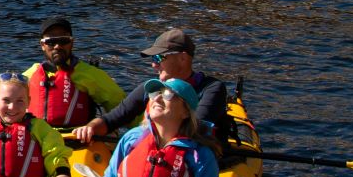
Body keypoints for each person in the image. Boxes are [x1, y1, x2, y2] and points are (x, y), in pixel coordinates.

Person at [52, 77, 219, 177]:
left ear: (185, 112)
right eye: (155, 93)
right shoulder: (132, 138)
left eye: (168, 94)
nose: (158, 98)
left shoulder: (201, 157)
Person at [69, 28, 232, 150]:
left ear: (183, 58)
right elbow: (115, 117)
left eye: (159, 57)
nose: (154, 64)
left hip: (200, 157)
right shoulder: (150, 87)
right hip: (158, 154)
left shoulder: (212, 89)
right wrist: (90, 128)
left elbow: (194, 129)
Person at [25, 16, 125, 136]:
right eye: (51, 42)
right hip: (38, 140)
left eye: (63, 41)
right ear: (42, 45)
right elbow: (2, 105)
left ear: (72, 42)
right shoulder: (30, 75)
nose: (57, 46)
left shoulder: (90, 74)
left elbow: (124, 108)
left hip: (78, 139)